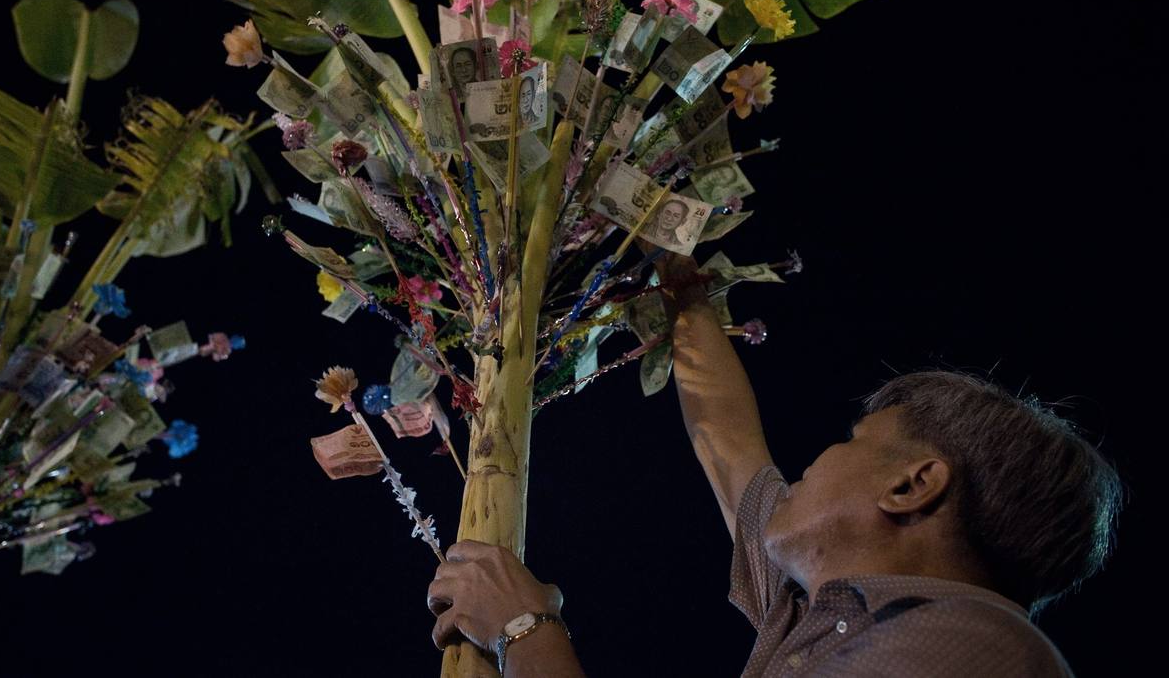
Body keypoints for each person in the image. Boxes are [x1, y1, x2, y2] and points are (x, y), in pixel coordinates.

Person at [426, 253, 1122, 676]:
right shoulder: (824, 612)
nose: (816, 459)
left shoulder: (973, 648)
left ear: (912, 485)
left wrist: (527, 632)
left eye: (849, 441)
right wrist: (684, 291)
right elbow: (731, 448)